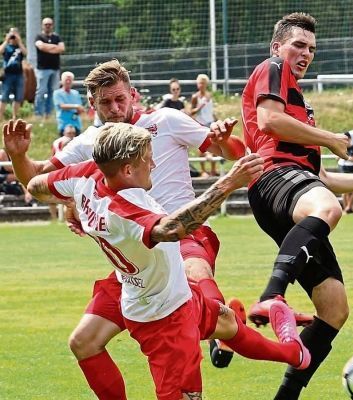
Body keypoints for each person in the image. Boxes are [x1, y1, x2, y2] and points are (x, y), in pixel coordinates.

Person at [3, 59, 246, 398]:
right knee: (84, 343)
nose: (115, 108)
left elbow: (232, 152)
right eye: (105, 102)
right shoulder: (91, 142)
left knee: (192, 268)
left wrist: (226, 141)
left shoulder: (166, 120)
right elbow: (37, 179)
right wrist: (18, 157)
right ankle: (225, 320)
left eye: (120, 99)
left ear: (133, 94)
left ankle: (222, 328)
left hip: (184, 232)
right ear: (92, 105)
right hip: (136, 266)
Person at [24, 121, 310, 399]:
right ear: (127, 169)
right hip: (164, 320)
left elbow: (36, 185)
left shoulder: (85, 175)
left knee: (227, 323)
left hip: (176, 291)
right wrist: (229, 183)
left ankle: (294, 353)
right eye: (148, 160)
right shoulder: (124, 210)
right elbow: (173, 229)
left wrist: (72, 202)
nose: (154, 165)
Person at [241, 12, 353, 399]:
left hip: (294, 186)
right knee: (330, 208)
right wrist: (330, 137)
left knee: (334, 308)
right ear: (277, 46)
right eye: (298, 44)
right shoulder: (273, 67)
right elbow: (268, 121)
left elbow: (321, 180)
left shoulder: (302, 106)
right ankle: (271, 296)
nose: (305, 54)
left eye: (312, 49)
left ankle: (286, 396)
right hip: (273, 178)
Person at [34, 17, 65, 119]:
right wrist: (54, 47)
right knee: (41, 91)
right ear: (42, 25)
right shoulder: (39, 36)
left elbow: (62, 48)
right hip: (43, 69)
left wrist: (47, 48)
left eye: (49, 24)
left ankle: (49, 114)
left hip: (55, 69)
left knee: (53, 92)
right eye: (46, 24)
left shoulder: (57, 37)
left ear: (52, 25)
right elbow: (41, 47)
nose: (48, 26)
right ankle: (38, 114)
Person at [190, 73, 218, 177]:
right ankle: (203, 171)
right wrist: (199, 107)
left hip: (210, 123)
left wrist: (217, 120)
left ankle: (213, 170)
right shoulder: (195, 97)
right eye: (199, 83)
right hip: (201, 124)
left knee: (214, 146)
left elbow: (211, 110)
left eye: (203, 83)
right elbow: (191, 112)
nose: (201, 85)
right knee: (202, 147)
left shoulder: (209, 95)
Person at [0, 28, 27, 120]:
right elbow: (0, 51)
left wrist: (19, 41)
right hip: (7, 75)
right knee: (4, 96)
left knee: (18, 97)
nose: (13, 37)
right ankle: (1, 117)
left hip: (19, 74)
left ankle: (15, 117)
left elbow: (25, 52)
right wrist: (7, 40)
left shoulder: (20, 47)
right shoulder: (6, 47)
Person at [53, 71, 84, 135]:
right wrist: (76, 106)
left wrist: (79, 109)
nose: (68, 82)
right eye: (66, 80)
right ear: (62, 81)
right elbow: (61, 106)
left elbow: (80, 107)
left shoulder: (76, 93)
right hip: (64, 124)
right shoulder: (57, 93)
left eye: (70, 80)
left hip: (76, 124)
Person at [337, 132, 353, 213]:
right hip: (344, 169)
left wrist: (345, 157)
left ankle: (349, 206)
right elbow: (337, 158)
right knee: (345, 191)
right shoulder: (341, 148)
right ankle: (346, 209)